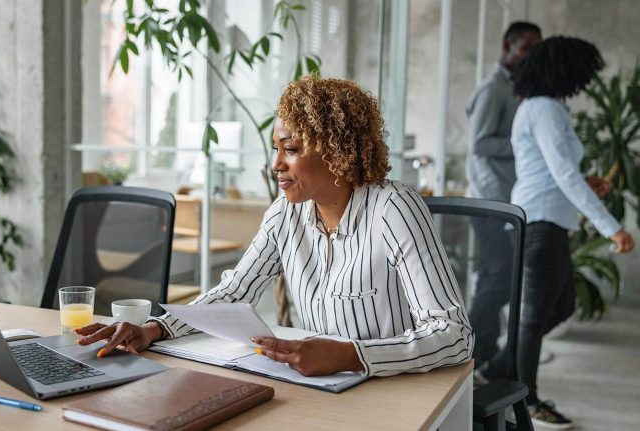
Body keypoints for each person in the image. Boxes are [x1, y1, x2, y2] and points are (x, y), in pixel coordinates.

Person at [75, 76, 474, 378]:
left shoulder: (393, 208)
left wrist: (352, 355)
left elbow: (454, 334)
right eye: (276, 149)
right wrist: (154, 329)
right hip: (328, 388)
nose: (276, 164)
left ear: (337, 151)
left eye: (292, 149)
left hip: (401, 391)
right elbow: (234, 291)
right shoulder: (286, 213)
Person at [481, 36, 635, 429]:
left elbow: (556, 170)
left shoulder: (546, 108)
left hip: (548, 221)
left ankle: (499, 368)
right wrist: (612, 227)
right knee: (533, 318)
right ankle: (526, 401)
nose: (584, 81)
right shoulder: (545, 109)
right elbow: (562, 173)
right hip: (539, 222)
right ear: (564, 71)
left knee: (561, 306)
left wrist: (586, 181)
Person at [465, 21, 541, 370]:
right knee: (501, 275)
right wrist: (526, 143)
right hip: (487, 198)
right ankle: (470, 348)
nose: (531, 56)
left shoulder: (513, 87)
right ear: (507, 47)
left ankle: (479, 350)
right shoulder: (493, 88)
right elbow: (479, 143)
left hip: (502, 198)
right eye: (526, 48)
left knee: (496, 274)